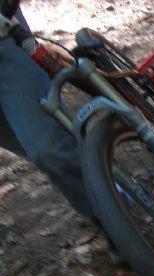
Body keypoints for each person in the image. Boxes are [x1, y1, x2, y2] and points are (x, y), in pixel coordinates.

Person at [0, 7, 94, 217]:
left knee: (50, 149)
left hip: (3, 39)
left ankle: (111, 214)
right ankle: (101, 183)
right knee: (27, 143)